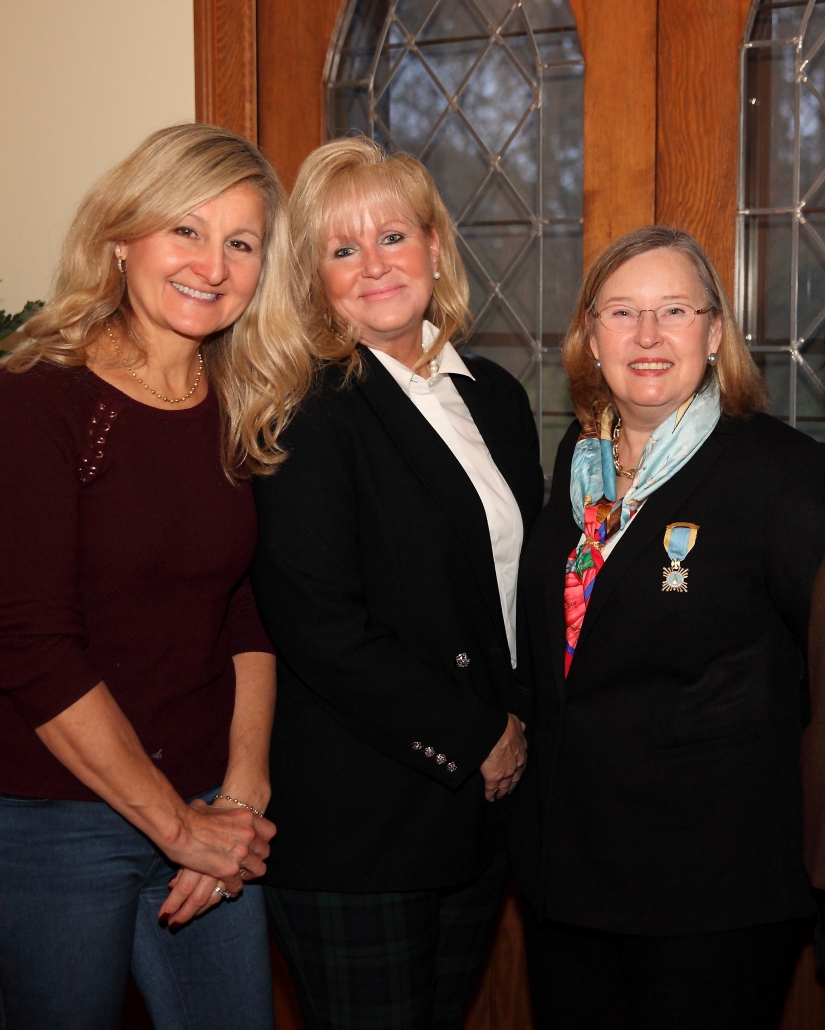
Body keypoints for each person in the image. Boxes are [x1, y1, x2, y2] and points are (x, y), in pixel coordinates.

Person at [0, 123, 313, 1030]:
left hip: (211, 805)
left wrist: (239, 797)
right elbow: (31, 645)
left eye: (241, 243)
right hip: (56, 820)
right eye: (186, 229)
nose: (212, 266)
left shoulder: (240, 403)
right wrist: (177, 829)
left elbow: (244, 609)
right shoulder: (37, 400)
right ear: (121, 237)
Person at [249, 136, 545, 1030]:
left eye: (392, 237)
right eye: (342, 249)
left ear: (433, 248)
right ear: (314, 279)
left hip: (481, 812)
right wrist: (476, 733)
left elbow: (516, 595)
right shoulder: (305, 409)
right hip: (363, 821)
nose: (374, 265)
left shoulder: (494, 395)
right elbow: (319, 627)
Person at [510, 225, 825, 1030]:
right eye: (621, 312)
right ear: (590, 338)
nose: (646, 335)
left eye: (674, 311)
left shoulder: (781, 474)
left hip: (709, 890)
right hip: (567, 877)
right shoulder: (578, 462)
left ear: (714, 333)